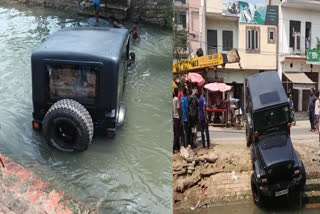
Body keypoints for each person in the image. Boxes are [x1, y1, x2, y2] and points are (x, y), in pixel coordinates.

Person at [173, 88, 181, 153]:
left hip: (173, 117)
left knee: (175, 133)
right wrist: (180, 116)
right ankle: (174, 146)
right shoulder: (176, 99)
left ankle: (177, 147)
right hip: (177, 117)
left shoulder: (172, 99)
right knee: (177, 133)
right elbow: (178, 109)